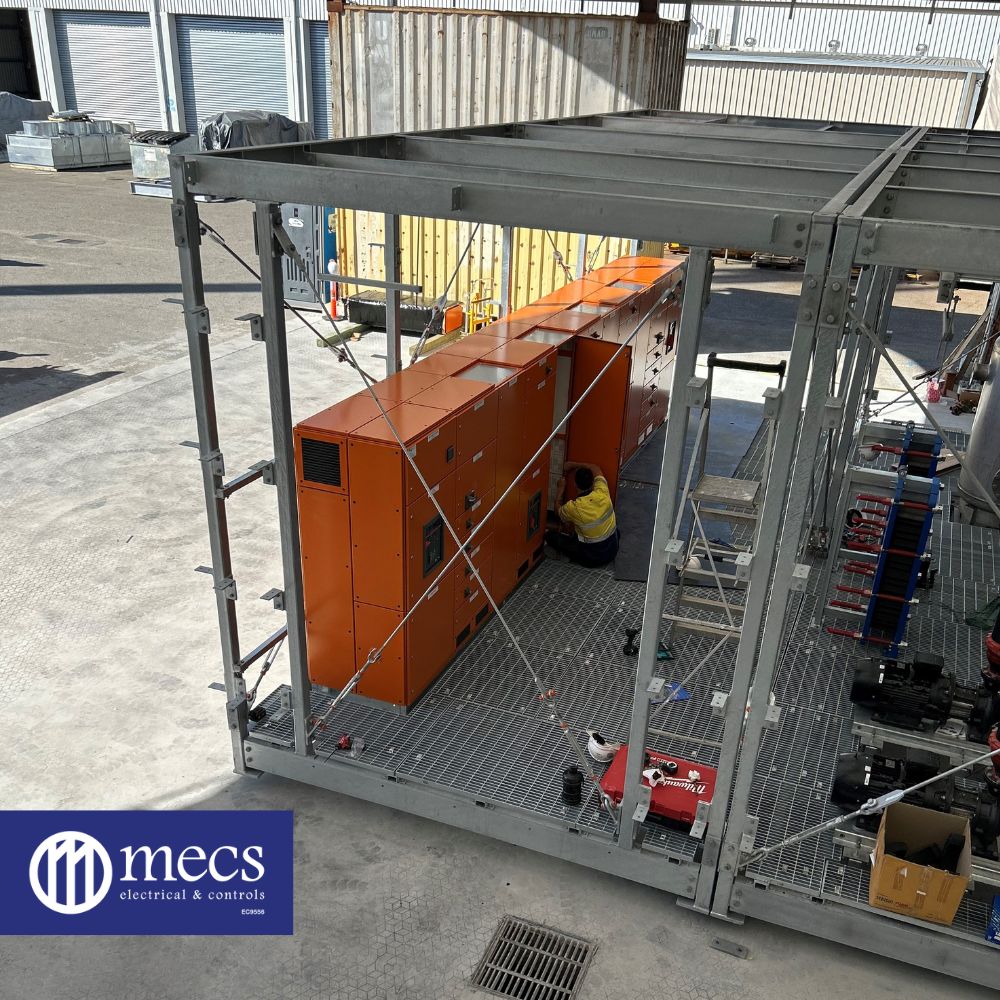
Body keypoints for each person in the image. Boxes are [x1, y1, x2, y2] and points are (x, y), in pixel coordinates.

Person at [544, 462, 619, 567]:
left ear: (575, 484)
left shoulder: (574, 507)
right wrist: (575, 464)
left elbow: (558, 512)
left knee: (550, 536)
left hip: (593, 558)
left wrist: (560, 489)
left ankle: (567, 556)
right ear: (593, 482)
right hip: (612, 550)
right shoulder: (602, 491)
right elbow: (595, 467)